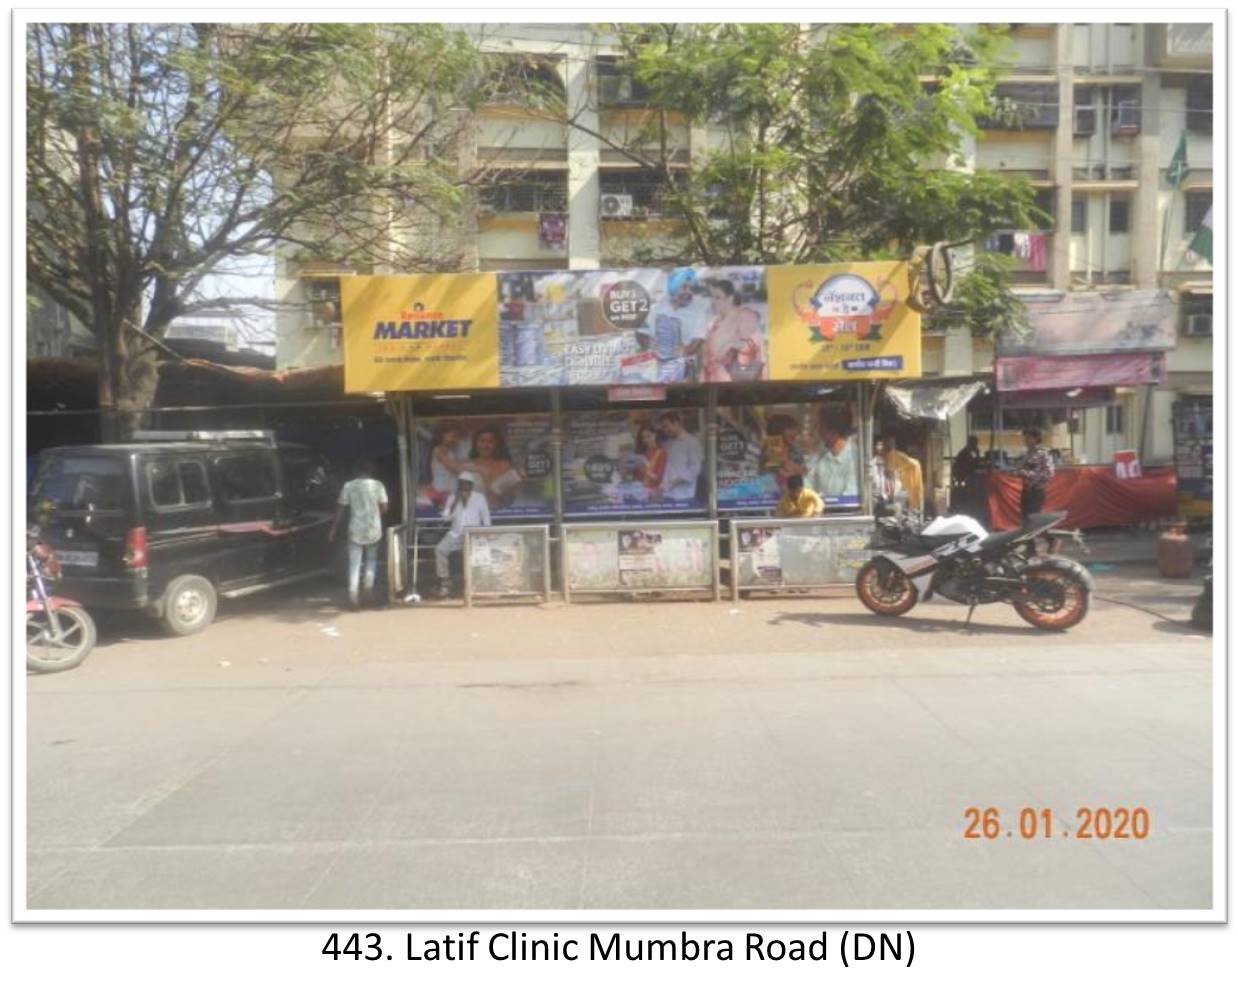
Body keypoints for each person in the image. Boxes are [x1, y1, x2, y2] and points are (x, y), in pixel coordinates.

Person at [329, 459, 389, 609]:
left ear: (357, 471)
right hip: (373, 528)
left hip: (355, 528)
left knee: (354, 563)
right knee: (371, 559)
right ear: (371, 470)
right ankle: (368, 589)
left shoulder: (348, 486)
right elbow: (385, 507)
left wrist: (334, 527)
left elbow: (341, 508)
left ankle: (353, 595)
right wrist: (375, 514)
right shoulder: (378, 485)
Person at [640, 268, 712, 381]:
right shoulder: (656, 308)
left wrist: (686, 350)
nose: (688, 292)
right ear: (673, 288)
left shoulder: (698, 312)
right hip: (653, 368)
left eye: (691, 288)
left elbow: (699, 339)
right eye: (684, 288)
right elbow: (642, 332)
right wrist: (649, 345)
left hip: (682, 371)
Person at [434, 471, 491, 598]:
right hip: (455, 534)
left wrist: (485, 535)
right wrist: (454, 503)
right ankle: (445, 583)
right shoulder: (452, 498)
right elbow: (446, 519)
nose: (464, 490)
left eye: (466, 487)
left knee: (475, 555)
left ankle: (475, 585)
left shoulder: (479, 498)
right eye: (461, 487)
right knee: (440, 549)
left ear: (471, 487)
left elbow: (486, 519)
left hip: (473, 535)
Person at [703, 278, 764, 382]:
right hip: (712, 382)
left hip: (738, 381)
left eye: (718, 297)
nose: (713, 301)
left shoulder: (745, 315)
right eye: (712, 297)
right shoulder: (713, 323)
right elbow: (706, 357)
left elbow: (752, 345)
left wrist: (731, 345)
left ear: (730, 298)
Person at [466, 425, 523, 510]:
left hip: (502, 517)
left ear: (497, 444)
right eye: (481, 441)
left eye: (490, 442)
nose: (485, 445)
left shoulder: (508, 468)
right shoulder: (467, 467)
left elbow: (511, 501)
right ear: (475, 443)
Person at [807, 409, 859, 502]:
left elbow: (850, 494)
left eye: (820, 427)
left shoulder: (855, 458)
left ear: (833, 431)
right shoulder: (818, 456)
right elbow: (808, 484)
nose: (817, 431)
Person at [657, 411, 704, 502]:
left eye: (666, 426)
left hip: (684, 495)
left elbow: (695, 469)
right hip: (667, 494)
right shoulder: (668, 444)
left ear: (676, 423)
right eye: (663, 427)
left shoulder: (692, 442)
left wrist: (673, 482)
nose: (665, 430)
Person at [1018, 426, 1055, 523]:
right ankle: (1029, 538)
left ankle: (1047, 537)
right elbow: (1021, 468)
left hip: (1036, 491)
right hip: (1026, 490)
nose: (1026, 441)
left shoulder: (1043, 453)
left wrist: (1026, 473)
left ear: (1036, 438)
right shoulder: (1026, 454)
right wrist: (1017, 471)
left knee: (1034, 519)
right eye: (1025, 438)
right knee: (1025, 518)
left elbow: (1049, 473)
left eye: (1028, 438)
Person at [881, 433, 924, 515]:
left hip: (900, 487)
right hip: (898, 487)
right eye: (889, 442)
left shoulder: (893, 454)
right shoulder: (890, 455)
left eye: (892, 442)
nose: (890, 444)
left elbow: (890, 471)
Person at [426, 422, 466, 507]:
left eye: (458, 437)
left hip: (451, 490)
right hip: (441, 490)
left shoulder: (452, 452)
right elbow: (452, 467)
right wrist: (476, 469)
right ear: (442, 435)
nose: (456, 440)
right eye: (454, 436)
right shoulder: (439, 450)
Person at [869, 439, 905, 516]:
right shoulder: (871, 464)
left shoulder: (889, 463)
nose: (879, 447)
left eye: (881, 445)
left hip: (887, 498)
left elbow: (896, 481)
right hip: (875, 499)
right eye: (877, 445)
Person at [631, 422, 667, 496]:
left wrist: (646, 469)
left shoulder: (661, 453)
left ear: (655, 435)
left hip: (656, 492)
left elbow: (658, 478)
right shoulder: (641, 453)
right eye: (643, 438)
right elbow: (636, 477)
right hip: (640, 491)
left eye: (648, 436)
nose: (646, 440)